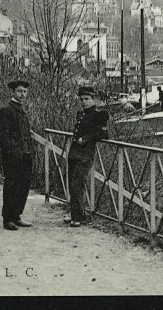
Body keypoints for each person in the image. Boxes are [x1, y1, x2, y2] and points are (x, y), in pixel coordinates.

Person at [65, 86, 109, 227]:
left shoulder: (99, 115)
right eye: (82, 99)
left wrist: (85, 139)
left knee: (77, 185)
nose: (84, 102)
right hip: (74, 153)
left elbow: (103, 134)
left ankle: (78, 218)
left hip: (85, 155)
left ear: (94, 99)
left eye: (87, 99)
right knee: (72, 185)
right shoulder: (81, 114)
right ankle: (77, 214)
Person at [0, 80, 33, 231]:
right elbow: (0, 133)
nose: (22, 94)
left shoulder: (22, 111)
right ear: (12, 92)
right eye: (19, 91)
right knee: (11, 185)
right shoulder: (6, 110)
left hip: (26, 155)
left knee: (23, 186)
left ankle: (16, 216)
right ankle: (8, 219)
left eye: (24, 91)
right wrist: (13, 150)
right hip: (13, 156)